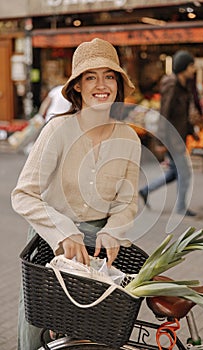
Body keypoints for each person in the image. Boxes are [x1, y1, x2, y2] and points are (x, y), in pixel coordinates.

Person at [11, 38, 141, 350]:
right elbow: (23, 194)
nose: (101, 85)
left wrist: (113, 232)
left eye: (109, 76)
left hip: (99, 251)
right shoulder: (58, 130)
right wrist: (63, 232)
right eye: (90, 77)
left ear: (118, 84)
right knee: (36, 333)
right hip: (50, 241)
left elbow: (127, 202)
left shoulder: (129, 138)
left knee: (94, 335)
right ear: (77, 87)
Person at [139, 50, 199, 216]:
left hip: (180, 136)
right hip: (172, 140)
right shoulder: (171, 84)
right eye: (192, 66)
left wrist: (192, 132)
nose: (194, 70)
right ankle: (180, 208)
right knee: (184, 174)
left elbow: (183, 114)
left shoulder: (183, 84)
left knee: (174, 173)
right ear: (184, 67)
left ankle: (145, 190)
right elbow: (164, 114)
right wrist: (160, 142)